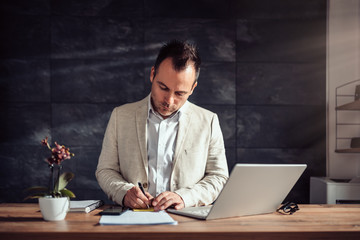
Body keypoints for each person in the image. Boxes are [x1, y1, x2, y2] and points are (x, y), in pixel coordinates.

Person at [96, 40, 229, 211]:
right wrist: (125, 192)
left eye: (180, 93)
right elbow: (105, 170)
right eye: (163, 87)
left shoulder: (208, 121)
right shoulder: (120, 116)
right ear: (153, 74)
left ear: (193, 88)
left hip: (186, 223)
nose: (169, 100)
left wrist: (185, 197)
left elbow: (218, 176)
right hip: (132, 221)